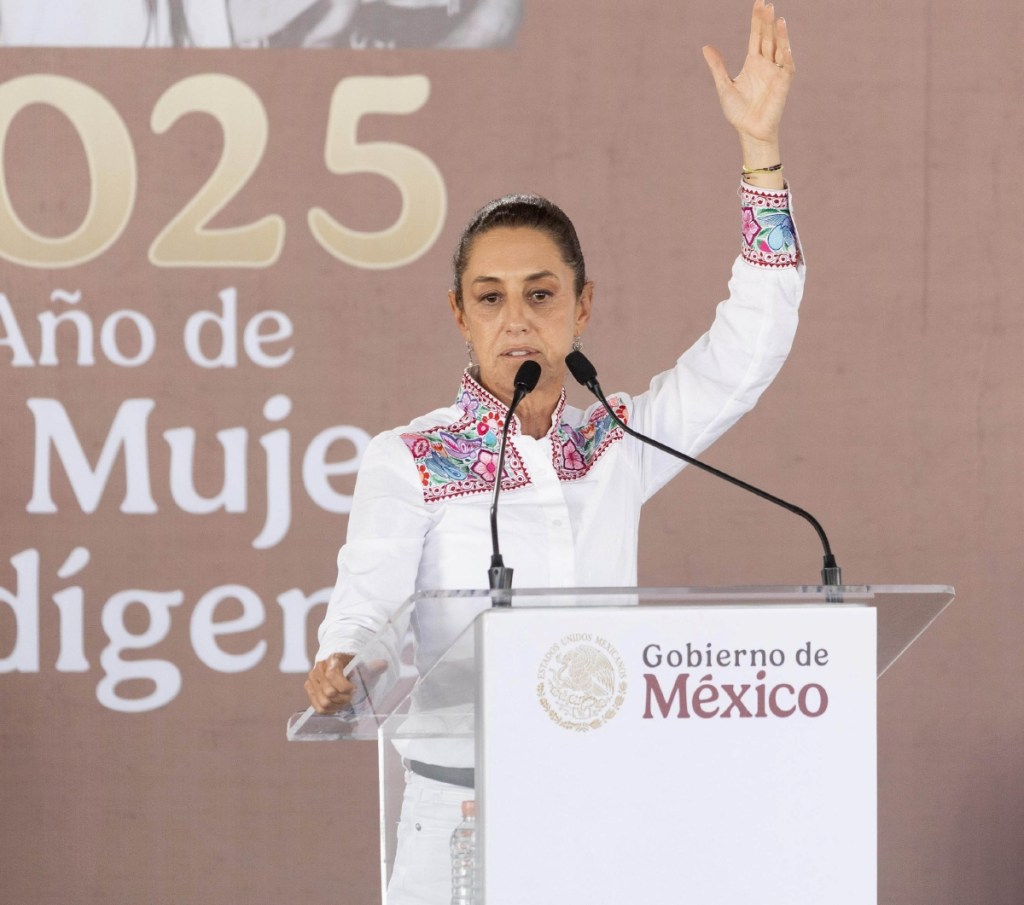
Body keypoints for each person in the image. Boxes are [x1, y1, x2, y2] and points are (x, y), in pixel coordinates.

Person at [306, 2, 801, 902]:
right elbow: (368, 604)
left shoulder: (616, 440)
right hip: (458, 813)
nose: (517, 318)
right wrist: (345, 663)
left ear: (583, 306)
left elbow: (750, 343)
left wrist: (759, 155)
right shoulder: (411, 458)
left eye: (541, 293)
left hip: (603, 803)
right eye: (490, 298)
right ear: (460, 316)